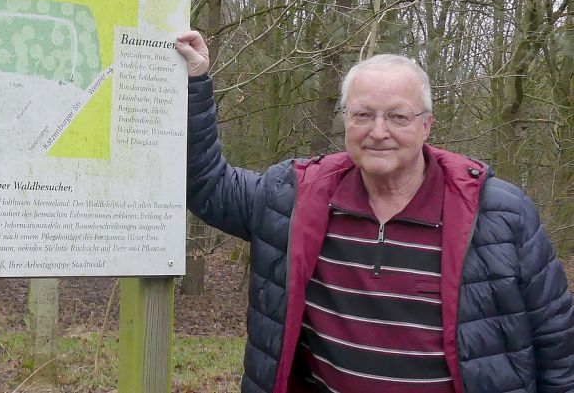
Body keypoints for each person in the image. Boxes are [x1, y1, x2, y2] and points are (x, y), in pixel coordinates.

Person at [175, 31, 574, 393]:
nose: (378, 131)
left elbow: (558, 348)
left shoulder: (500, 215)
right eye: (363, 114)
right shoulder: (295, 197)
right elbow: (208, 185)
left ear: (427, 125)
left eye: (398, 116)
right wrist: (196, 83)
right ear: (346, 120)